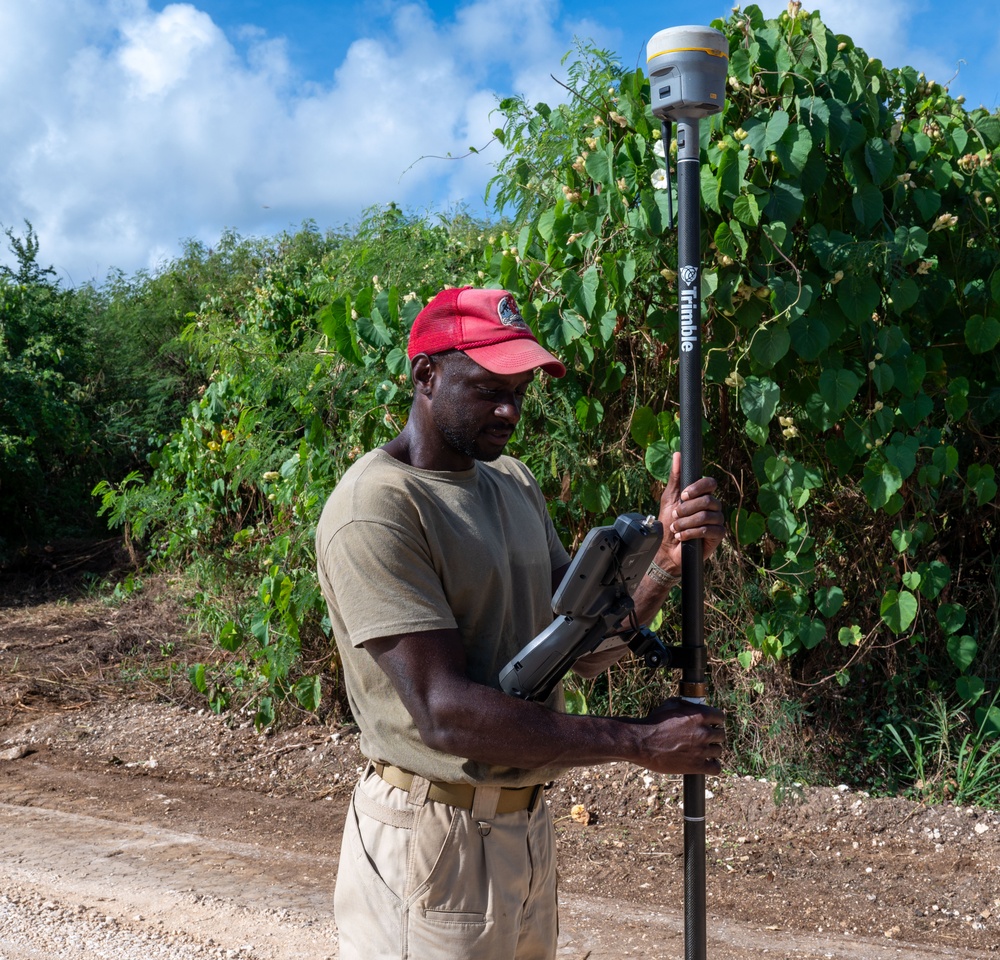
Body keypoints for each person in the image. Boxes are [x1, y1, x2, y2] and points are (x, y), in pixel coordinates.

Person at [315, 286, 726, 960]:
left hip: (523, 830)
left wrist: (665, 566)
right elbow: (445, 713)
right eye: (488, 388)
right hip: (433, 836)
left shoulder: (511, 480)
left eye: (520, 389)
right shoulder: (376, 509)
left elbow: (576, 644)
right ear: (426, 375)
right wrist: (639, 743)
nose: (510, 409)